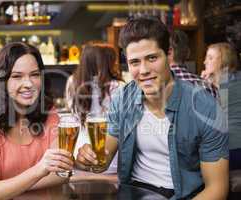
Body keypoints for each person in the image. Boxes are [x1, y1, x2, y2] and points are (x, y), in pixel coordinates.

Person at [76, 17, 229, 199]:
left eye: (152, 58)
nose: (143, 70)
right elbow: (103, 159)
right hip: (133, 192)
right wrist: (88, 159)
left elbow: (217, 189)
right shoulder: (122, 99)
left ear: (169, 54)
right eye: (135, 62)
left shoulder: (205, 107)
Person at [0, 42, 74, 200]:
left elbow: (61, 174)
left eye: (34, 75)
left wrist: (14, 187)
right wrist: (39, 170)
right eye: (16, 76)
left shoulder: (49, 115)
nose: (28, 84)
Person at [65, 42, 124, 174]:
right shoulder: (118, 86)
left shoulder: (71, 82)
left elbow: (71, 112)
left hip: (79, 154)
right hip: (111, 156)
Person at [201, 42, 241, 170]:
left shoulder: (225, 83)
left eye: (210, 58)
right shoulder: (231, 79)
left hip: (230, 148)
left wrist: (203, 83)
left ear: (224, 61)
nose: (205, 61)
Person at [168, 30, 218, 98]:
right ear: (188, 53)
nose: (205, 62)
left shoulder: (155, 88)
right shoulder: (207, 86)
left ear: (169, 52)